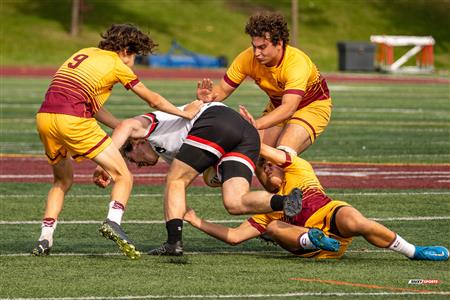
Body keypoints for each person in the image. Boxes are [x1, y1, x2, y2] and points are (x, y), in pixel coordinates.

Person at [32, 23, 203, 259]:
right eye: (134, 55)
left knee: (62, 181)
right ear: (125, 50)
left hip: (44, 117)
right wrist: (185, 113)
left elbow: (94, 108)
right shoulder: (116, 63)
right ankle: (113, 221)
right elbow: (152, 100)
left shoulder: (84, 52)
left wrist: (125, 127)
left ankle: (45, 237)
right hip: (72, 119)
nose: (133, 61)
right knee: (124, 176)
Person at [183, 136, 449, 261]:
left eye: (269, 164)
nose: (267, 168)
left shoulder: (298, 167)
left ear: (279, 163)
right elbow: (234, 237)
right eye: (261, 168)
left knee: (354, 219)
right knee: (274, 227)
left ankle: (414, 251)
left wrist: (245, 139)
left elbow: (268, 152)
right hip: (312, 248)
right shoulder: (266, 206)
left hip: (332, 221)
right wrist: (196, 221)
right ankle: (311, 237)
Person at [93, 102, 303, 256]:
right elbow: (209, 171)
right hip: (246, 134)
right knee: (235, 202)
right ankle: (284, 202)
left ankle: (173, 242)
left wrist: (105, 162)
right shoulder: (168, 150)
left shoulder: (148, 126)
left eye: (132, 160)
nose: (138, 165)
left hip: (217, 119)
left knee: (175, 180)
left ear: (136, 143)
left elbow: (125, 126)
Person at [197, 12, 332, 161]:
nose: (257, 53)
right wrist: (210, 96)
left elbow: (289, 107)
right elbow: (222, 89)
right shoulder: (247, 58)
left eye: (262, 47)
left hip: (311, 106)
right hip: (278, 105)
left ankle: (305, 185)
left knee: (282, 154)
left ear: (279, 43)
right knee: (256, 156)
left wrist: (257, 124)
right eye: (254, 47)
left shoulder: (296, 62)